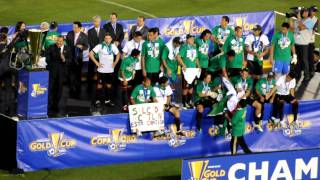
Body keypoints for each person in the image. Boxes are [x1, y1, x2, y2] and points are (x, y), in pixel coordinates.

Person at [89, 33, 120, 108]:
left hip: (110, 70)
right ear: (104, 39)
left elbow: (118, 54)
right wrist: (97, 63)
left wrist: (115, 62)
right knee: (99, 86)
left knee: (109, 86)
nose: (107, 40)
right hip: (101, 70)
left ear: (111, 39)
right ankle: (97, 100)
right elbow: (90, 54)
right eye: (106, 38)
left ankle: (107, 100)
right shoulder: (100, 46)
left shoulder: (113, 46)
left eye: (109, 38)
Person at [46, 36, 72, 116]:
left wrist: (64, 60)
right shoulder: (51, 47)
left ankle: (56, 105)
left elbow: (70, 60)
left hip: (62, 73)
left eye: (60, 41)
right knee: (50, 88)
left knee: (59, 90)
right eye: (57, 41)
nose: (58, 43)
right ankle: (49, 105)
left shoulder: (67, 48)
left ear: (63, 42)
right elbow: (47, 57)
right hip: (52, 72)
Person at [231, 68, 263, 132]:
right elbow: (237, 90)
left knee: (259, 105)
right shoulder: (237, 79)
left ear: (248, 75)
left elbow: (248, 92)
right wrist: (240, 97)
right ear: (241, 73)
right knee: (239, 107)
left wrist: (244, 96)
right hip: (236, 96)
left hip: (245, 96)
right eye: (243, 73)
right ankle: (233, 125)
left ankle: (256, 123)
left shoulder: (250, 80)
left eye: (246, 74)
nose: (244, 75)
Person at [66, 21, 88, 99]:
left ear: (79, 28)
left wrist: (81, 46)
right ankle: (71, 89)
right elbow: (67, 45)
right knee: (71, 74)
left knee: (78, 75)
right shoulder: (69, 34)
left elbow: (86, 47)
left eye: (75, 27)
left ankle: (78, 91)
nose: (73, 28)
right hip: (70, 58)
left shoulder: (84, 36)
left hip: (78, 59)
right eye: (73, 27)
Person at [177, 34, 200, 109]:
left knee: (191, 87)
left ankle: (189, 101)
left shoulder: (194, 47)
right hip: (187, 71)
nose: (193, 40)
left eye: (193, 39)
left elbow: (196, 58)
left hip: (193, 71)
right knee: (185, 88)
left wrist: (198, 65)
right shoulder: (184, 47)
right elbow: (178, 57)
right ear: (187, 40)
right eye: (191, 39)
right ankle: (184, 103)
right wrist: (183, 65)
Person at [290, 8, 314, 81]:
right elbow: (293, 29)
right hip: (296, 43)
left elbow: (301, 28)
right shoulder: (298, 20)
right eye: (303, 12)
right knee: (297, 60)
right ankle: (298, 74)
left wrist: (299, 18)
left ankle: (306, 75)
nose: (304, 13)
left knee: (304, 60)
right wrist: (290, 19)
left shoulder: (310, 21)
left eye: (305, 12)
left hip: (304, 44)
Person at [87, 15, 106, 93]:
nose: (95, 22)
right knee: (91, 68)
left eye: (96, 21)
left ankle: (101, 82)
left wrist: (100, 49)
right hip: (93, 53)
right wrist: (96, 50)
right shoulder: (90, 31)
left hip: (101, 53)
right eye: (94, 21)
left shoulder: (104, 31)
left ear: (99, 22)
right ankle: (89, 85)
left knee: (101, 68)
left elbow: (105, 41)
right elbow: (90, 41)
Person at [308, 6, 318, 78]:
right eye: (313, 11)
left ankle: (311, 71)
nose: (314, 12)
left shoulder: (316, 19)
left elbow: (314, 30)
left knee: (311, 56)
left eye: (315, 11)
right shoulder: (304, 18)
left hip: (310, 40)